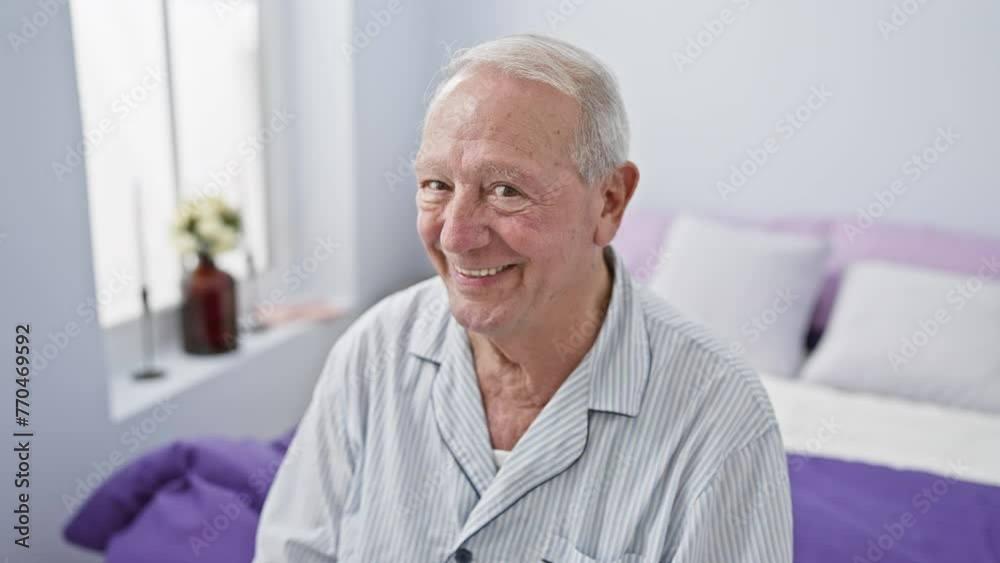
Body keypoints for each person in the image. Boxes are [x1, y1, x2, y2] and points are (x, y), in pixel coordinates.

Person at [254, 33, 792, 562]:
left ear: (608, 202)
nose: (454, 236)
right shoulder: (374, 351)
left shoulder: (720, 416)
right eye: (437, 185)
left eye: (506, 190)